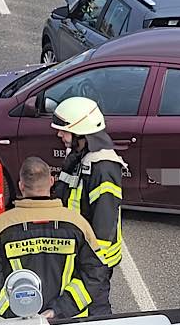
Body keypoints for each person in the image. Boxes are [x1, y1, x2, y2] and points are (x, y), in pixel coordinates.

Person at [0, 157, 110, 319]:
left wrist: (18, 313)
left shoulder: (0, 226)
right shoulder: (77, 223)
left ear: (21, 185)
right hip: (68, 322)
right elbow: (95, 274)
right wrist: (58, 310)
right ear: (51, 181)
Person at [49, 97, 126, 280]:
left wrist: (92, 264)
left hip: (95, 260)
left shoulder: (103, 168)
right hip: (78, 252)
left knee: (95, 307)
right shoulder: (81, 156)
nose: (60, 135)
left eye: (64, 130)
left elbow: (103, 222)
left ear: (80, 132)